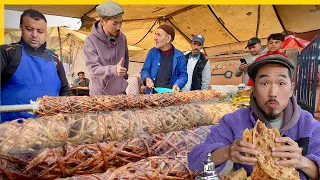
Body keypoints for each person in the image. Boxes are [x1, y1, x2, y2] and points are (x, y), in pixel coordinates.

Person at [188, 55, 320, 180]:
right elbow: (194, 161)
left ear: (291, 89)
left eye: (281, 83)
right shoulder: (234, 121)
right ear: (253, 90)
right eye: (264, 83)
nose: (272, 93)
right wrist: (227, 152)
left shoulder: (309, 125)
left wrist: (303, 162)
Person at [0, 9, 71, 122]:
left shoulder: (55, 59)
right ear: (21, 27)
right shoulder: (7, 52)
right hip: (11, 130)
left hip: (50, 130)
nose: (34, 35)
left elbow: (65, 91)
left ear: (45, 33)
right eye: (29, 29)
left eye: (40, 31)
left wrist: (65, 119)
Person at [83, 1, 129, 95]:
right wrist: (113, 70)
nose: (119, 27)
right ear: (102, 21)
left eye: (121, 22)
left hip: (120, 94)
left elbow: (125, 64)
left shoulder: (123, 38)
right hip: (99, 95)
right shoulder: (91, 40)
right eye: (115, 23)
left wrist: (124, 81)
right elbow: (93, 68)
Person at [141, 24, 188, 94]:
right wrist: (147, 78)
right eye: (155, 34)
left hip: (170, 97)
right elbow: (145, 70)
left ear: (168, 38)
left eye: (158, 35)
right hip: (152, 95)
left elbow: (183, 75)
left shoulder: (180, 56)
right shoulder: (152, 52)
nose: (155, 38)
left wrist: (178, 84)